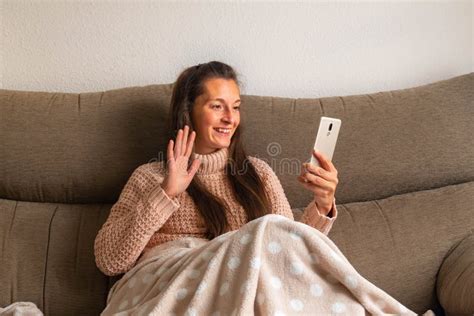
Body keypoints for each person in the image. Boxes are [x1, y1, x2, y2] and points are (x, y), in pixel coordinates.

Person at [94, 61, 423, 316]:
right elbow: (109, 260)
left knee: (275, 235)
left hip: (240, 292)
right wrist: (166, 193)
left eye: (235, 107)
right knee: (267, 229)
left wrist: (322, 206)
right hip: (168, 289)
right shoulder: (149, 177)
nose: (229, 118)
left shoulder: (258, 174)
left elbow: (288, 256)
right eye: (217, 106)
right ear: (188, 111)